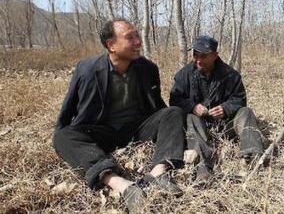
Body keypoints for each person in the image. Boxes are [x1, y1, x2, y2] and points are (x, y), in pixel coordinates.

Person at [53, 18, 185, 213]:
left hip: (137, 129)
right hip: (102, 132)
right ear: (111, 45)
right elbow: (67, 112)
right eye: (130, 38)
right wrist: (63, 138)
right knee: (62, 135)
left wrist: (174, 127)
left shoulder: (148, 68)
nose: (138, 42)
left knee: (173, 113)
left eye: (137, 36)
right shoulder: (87, 70)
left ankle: (158, 174)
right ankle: (121, 185)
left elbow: (157, 107)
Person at [169, 35, 264, 184]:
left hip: (224, 126)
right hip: (197, 127)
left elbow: (240, 99)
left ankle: (252, 156)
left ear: (215, 55)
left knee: (246, 112)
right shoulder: (184, 74)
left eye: (203, 56)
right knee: (191, 117)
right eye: (195, 55)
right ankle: (202, 166)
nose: (198, 60)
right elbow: (175, 99)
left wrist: (225, 109)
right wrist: (192, 107)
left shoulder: (231, 75)